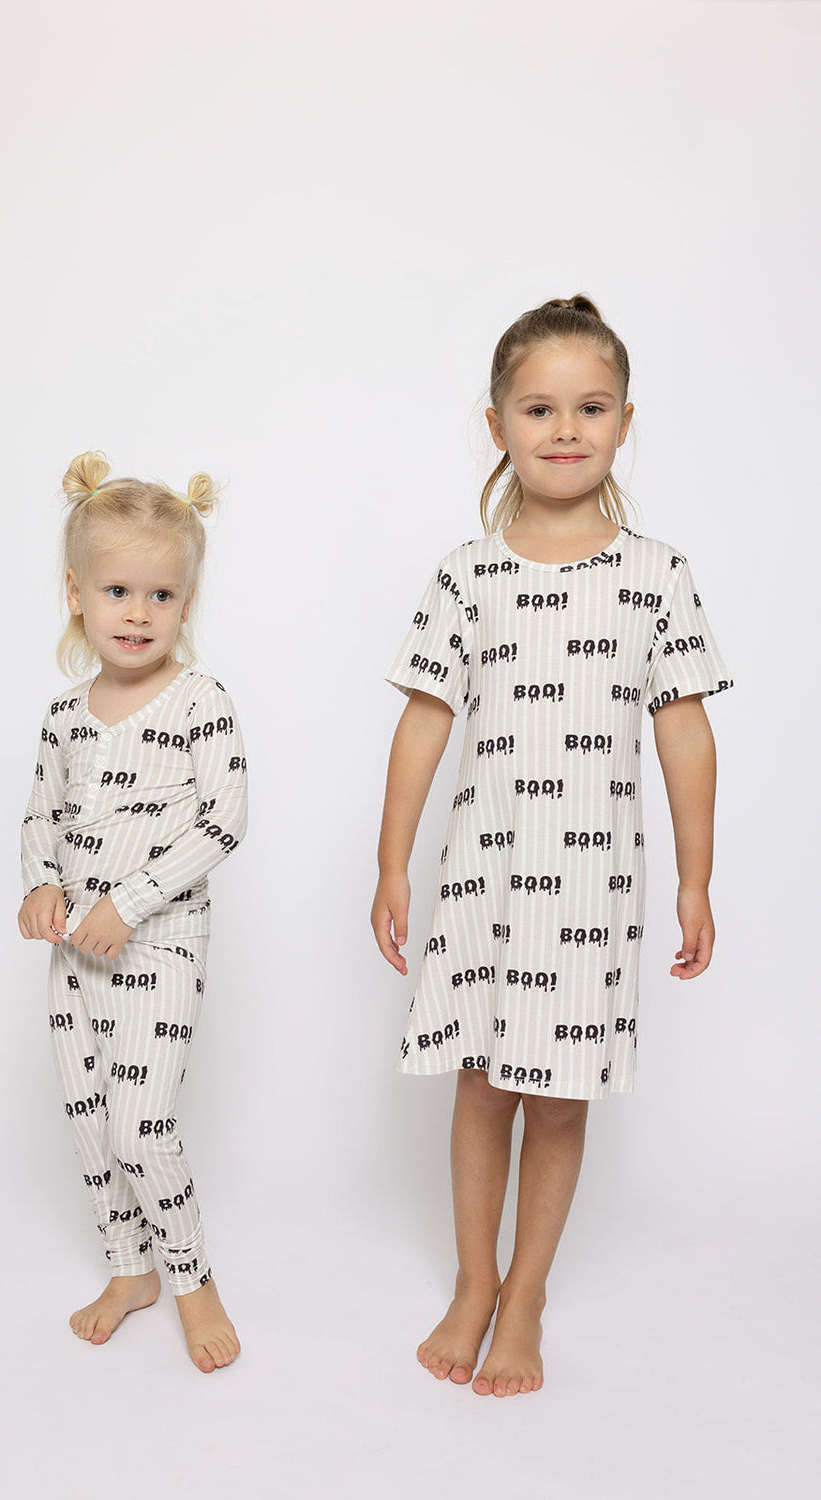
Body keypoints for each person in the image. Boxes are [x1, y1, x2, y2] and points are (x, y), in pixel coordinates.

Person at [371, 296, 732, 1398]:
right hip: (484, 877)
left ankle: (526, 1294)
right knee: (481, 1086)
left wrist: (695, 879)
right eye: (539, 408)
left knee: (558, 1098)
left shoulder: (657, 575)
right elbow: (423, 722)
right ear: (497, 426)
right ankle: (474, 1281)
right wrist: (390, 864)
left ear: (625, 422)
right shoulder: (465, 575)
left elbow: (684, 730)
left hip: (589, 886)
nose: (565, 429)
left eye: (591, 407)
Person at [18, 451, 247, 1373]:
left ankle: (193, 1280)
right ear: (77, 594)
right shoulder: (63, 716)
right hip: (73, 948)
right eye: (118, 591)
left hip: (160, 942)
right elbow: (41, 814)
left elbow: (223, 821)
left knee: (139, 1125)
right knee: (89, 1120)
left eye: (161, 595)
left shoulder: (201, 702)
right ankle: (129, 1268)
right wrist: (41, 883)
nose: (139, 613)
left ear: (185, 603)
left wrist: (128, 902)